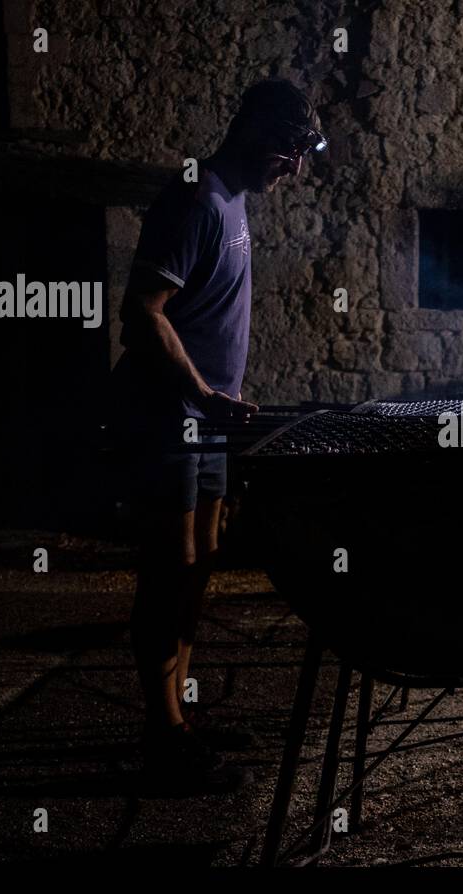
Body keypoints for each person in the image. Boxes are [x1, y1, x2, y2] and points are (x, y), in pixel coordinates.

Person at [111, 78, 324, 791]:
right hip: (168, 415)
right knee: (168, 568)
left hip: (208, 419)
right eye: (291, 156)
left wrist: (222, 399)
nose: (293, 171)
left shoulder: (233, 201)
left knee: (200, 562)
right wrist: (201, 392)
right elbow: (142, 311)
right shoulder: (197, 198)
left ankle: (180, 718)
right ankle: (161, 732)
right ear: (262, 139)